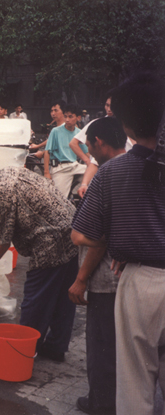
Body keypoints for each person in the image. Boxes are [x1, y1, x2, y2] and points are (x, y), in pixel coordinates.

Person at [72, 73, 165, 415]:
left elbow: (84, 234)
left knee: (135, 386)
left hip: (141, 282)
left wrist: (126, 240)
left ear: (124, 124)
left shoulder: (112, 172)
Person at [0, 155, 77, 361]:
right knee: (63, 297)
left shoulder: (0, 195)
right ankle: (55, 347)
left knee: (35, 301)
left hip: (50, 241)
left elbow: (3, 243)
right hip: (71, 231)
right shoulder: (7, 172)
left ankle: (23, 352)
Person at [67, 117, 127, 415]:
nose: (89, 154)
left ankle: (101, 403)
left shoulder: (108, 174)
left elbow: (95, 237)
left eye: (89, 147)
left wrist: (80, 279)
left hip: (106, 280)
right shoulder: (141, 166)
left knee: (102, 345)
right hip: (132, 278)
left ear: (100, 143)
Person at [69, 97, 135, 198]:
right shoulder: (98, 125)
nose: (109, 109)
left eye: (112, 106)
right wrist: (84, 183)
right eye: (107, 105)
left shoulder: (131, 129)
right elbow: (93, 162)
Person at [43, 103, 88, 199]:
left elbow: (87, 153)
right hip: (61, 168)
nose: (67, 120)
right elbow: (47, 151)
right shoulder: (56, 131)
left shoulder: (79, 133)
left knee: (96, 174)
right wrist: (46, 172)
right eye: (65, 116)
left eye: (70, 117)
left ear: (78, 118)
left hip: (75, 166)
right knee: (59, 200)